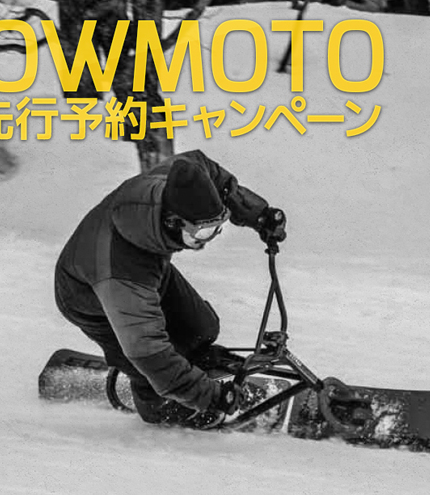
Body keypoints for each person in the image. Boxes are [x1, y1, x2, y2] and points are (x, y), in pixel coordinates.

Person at [54, 149, 286, 426]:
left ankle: (187, 373)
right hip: (88, 298)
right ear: (172, 222)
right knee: (150, 373)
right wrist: (211, 398)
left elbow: (209, 174)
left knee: (202, 329)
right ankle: (156, 402)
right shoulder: (122, 274)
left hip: (150, 270)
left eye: (217, 227)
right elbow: (150, 354)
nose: (209, 240)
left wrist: (258, 215)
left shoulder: (176, 179)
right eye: (202, 232)